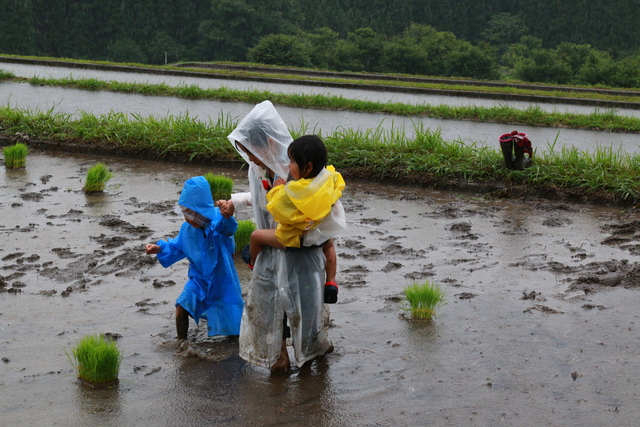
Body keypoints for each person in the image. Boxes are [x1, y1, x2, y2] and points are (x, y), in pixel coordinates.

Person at [218, 100, 346, 372]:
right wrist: (234, 203)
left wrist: (300, 237)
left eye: (251, 151)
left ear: (268, 144)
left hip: (301, 257)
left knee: (304, 315)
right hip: (271, 255)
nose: (250, 158)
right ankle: (280, 358)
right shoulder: (260, 169)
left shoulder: (299, 174)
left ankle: (310, 358)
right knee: (268, 311)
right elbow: (262, 199)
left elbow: (325, 218)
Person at [145, 176, 244, 340]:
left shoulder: (218, 221)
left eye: (194, 214)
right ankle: (181, 343)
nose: (190, 218)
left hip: (222, 279)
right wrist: (159, 248)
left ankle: (235, 347)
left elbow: (229, 229)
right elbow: (178, 246)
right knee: (182, 305)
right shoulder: (187, 229)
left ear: (203, 209)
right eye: (187, 213)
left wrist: (227, 215)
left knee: (232, 322)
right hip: (198, 278)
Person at [249, 135, 345, 286]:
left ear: (308, 167)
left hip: (296, 238)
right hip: (318, 235)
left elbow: (277, 207)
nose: (288, 166)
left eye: (292, 161)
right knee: (329, 245)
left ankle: (254, 265)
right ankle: (331, 281)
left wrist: (278, 188)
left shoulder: (295, 189)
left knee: (256, 236)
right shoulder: (327, 179)